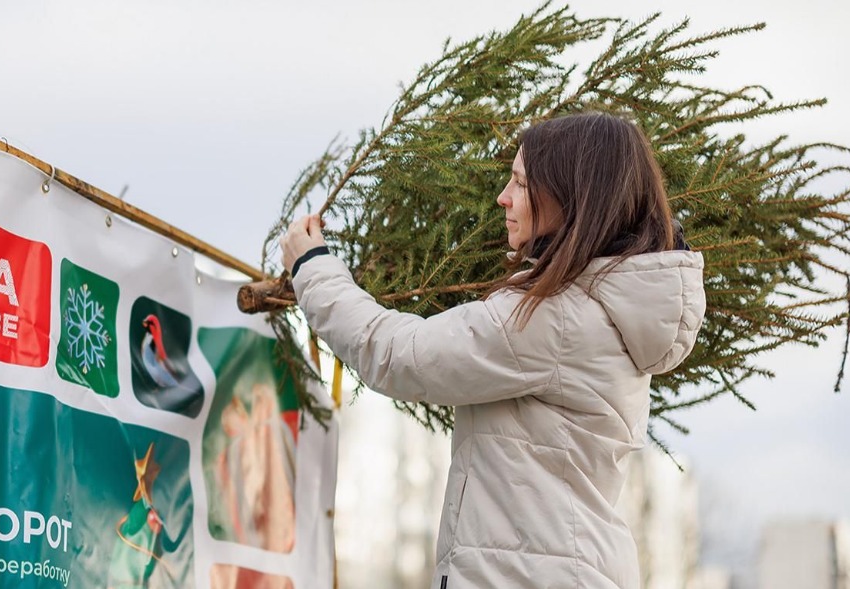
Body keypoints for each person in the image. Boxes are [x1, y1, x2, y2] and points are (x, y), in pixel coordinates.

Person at [280, 111, 706, 588]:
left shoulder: (554, 317)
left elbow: (400, 355)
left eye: (521, 183)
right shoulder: (603, 307)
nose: (503, 197)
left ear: (567, 198)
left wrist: (313, 268)